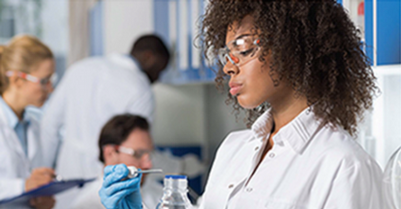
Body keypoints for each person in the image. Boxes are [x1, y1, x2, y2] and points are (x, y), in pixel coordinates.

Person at [99, 0, 383, 208]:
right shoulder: (234, 148)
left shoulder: (344, 166)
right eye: (227, 54)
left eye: (243, 49)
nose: (228, 68)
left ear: (292, 47)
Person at [40, 34, 170, 180]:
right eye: (160, 70)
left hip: (67, 174)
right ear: (148, 57)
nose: (158, 78)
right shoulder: (140, 88)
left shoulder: (79, 68)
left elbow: (49, 124)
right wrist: (180, 167)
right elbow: (139, 150)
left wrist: (43, 173)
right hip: (108, 179)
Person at [0, 35, 56, 209]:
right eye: (44, 81)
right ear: (17, 80)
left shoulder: (33, 126)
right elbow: (23, 184)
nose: (50, 89)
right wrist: (23, 186)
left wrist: (42, 198)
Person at [71, 114, 162, 209]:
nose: (148, 165)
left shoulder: (160, 195)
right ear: (110, 153)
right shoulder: (86, 204)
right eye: (137, 154)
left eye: (149, 155)